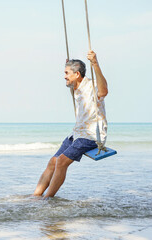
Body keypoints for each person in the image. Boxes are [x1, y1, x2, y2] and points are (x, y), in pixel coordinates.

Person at [33, 50, 108, 198]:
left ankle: (48, 199)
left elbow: (104, 91)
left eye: (67, 73)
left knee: (61, 161)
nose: (64, 76)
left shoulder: (92, 86)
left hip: (92, 135)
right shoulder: (76, 88)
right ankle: (35, 196)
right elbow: (72, 79)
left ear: (77, 75)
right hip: (77, 134)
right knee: (52, 162)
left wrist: (95, 64)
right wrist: (68, 66)